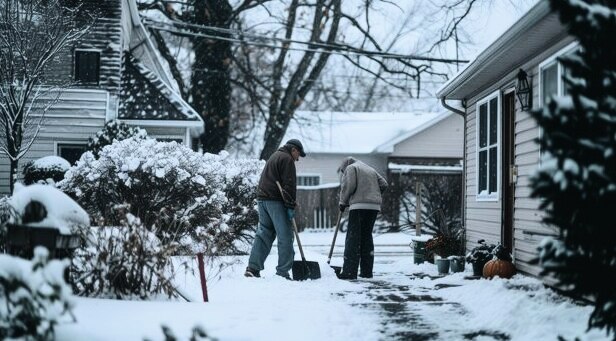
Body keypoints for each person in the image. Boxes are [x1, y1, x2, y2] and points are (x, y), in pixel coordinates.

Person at [244, 139, 306, 279]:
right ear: (294, 150)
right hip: (275, 201)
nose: (297, 159)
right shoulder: (287, 159)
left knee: (264, 234)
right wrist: (290, 205)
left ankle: (253, 268)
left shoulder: (274, 156)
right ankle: (283, 272)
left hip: (262, 200)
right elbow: (289, 185)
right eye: (298, 155)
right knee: (285, 236)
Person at [336, 157, 388, 280]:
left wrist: (343, 202)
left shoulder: (351, 167)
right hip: (374, 207)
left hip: (359, 206)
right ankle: (366, 272)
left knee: (353, 239)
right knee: (366, 237)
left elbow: (349, 185)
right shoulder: (369, 169)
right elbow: (384, 184)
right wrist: (373, 195)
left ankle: (349, 272)